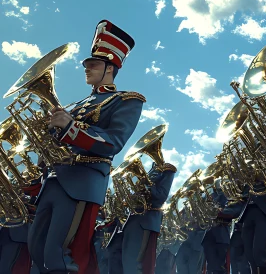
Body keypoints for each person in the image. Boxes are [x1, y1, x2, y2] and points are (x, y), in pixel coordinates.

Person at [29, 20, 144, 273]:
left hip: (82, 183)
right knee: (36, 249)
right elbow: (57, 140)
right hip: (54, 181)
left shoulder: (125, 100)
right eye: (86, 65)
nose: (86, 68)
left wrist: (71, 127)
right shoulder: (76, 105)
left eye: (93, 65)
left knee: (60, 255)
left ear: (110, 68)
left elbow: (113, 142)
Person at [110, 155, 177, 274]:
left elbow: (161, 196)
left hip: (146, 221)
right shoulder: (151, 172)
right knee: (120, 260)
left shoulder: (167, 171)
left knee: (133, 263)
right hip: (133, 219)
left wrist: (146, 183)